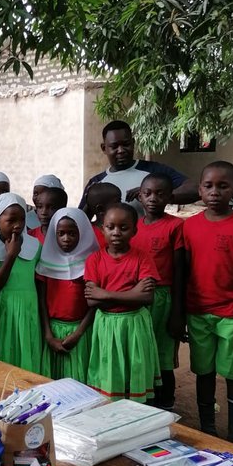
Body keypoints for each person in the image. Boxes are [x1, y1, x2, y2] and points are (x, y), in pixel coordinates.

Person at [182, 161, 233, 442]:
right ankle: (208, 429)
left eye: (223, 186)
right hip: (199, 312)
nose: (215, 192)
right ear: (200, 189)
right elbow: (185, 271)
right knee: (204, 372)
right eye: (209, 185)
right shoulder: (188, 227)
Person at [84, 203, 160, 401]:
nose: (116, 232)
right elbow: (92, 301)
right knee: (109, 371)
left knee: (135, 368)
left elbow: (146, 298)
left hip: (134, 325)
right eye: (111, 227)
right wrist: (130, 295)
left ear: (134, 230)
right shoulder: (94, 260)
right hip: (107, 325)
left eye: (123, 228)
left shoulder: (142, 258)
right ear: (102, 229)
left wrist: (106, 294)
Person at [132, 173, 186, 409]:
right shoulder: (132, 227)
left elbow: (180, 270)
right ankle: (143, 402)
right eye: (148, 193)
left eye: (160, 193)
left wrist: (177, 311)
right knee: (140, 352)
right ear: (140, 196)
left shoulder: (175, 226)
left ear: (170, 197)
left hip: (163, 298)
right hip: (136, 298)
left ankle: (166, 404)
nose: (153, 198)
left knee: (163, 355)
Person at [0, 193, 43, 372]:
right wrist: (10, 256)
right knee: (4, 358)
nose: (17, 225)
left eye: (22, 219)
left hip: (29, 311)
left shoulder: (35, 246)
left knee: (28, 356)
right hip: (3, 311)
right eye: (11, 220)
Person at [79, 121, 198, 214]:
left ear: (133, 142)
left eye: (126, 144)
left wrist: (153, 194)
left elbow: (194, 189)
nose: (121, 151)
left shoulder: (154, 171)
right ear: (104, 148)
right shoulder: (96, 183)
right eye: (114, 146)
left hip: (147, 243)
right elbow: (82, 219)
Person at [36, 208, 98, 381]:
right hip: (53, 331)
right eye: (61, 233)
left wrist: (77, 334)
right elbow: (42, 301)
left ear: (83, 233)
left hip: (82, 331)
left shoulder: (92, 262)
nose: (66, 239)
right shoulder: (46, 262)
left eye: (72, 233)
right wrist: (48, 335)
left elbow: (95, 303)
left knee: (80, 381)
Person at [28, 176, 68, 244]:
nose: (44, 212)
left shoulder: (67, 237)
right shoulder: (29, 236)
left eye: (51, 207)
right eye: (39, 207)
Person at [82, 181, 121, 248]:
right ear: (100, 209)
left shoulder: (125, 228)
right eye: (117, 202)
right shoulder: (86, 232)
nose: (121, 205)